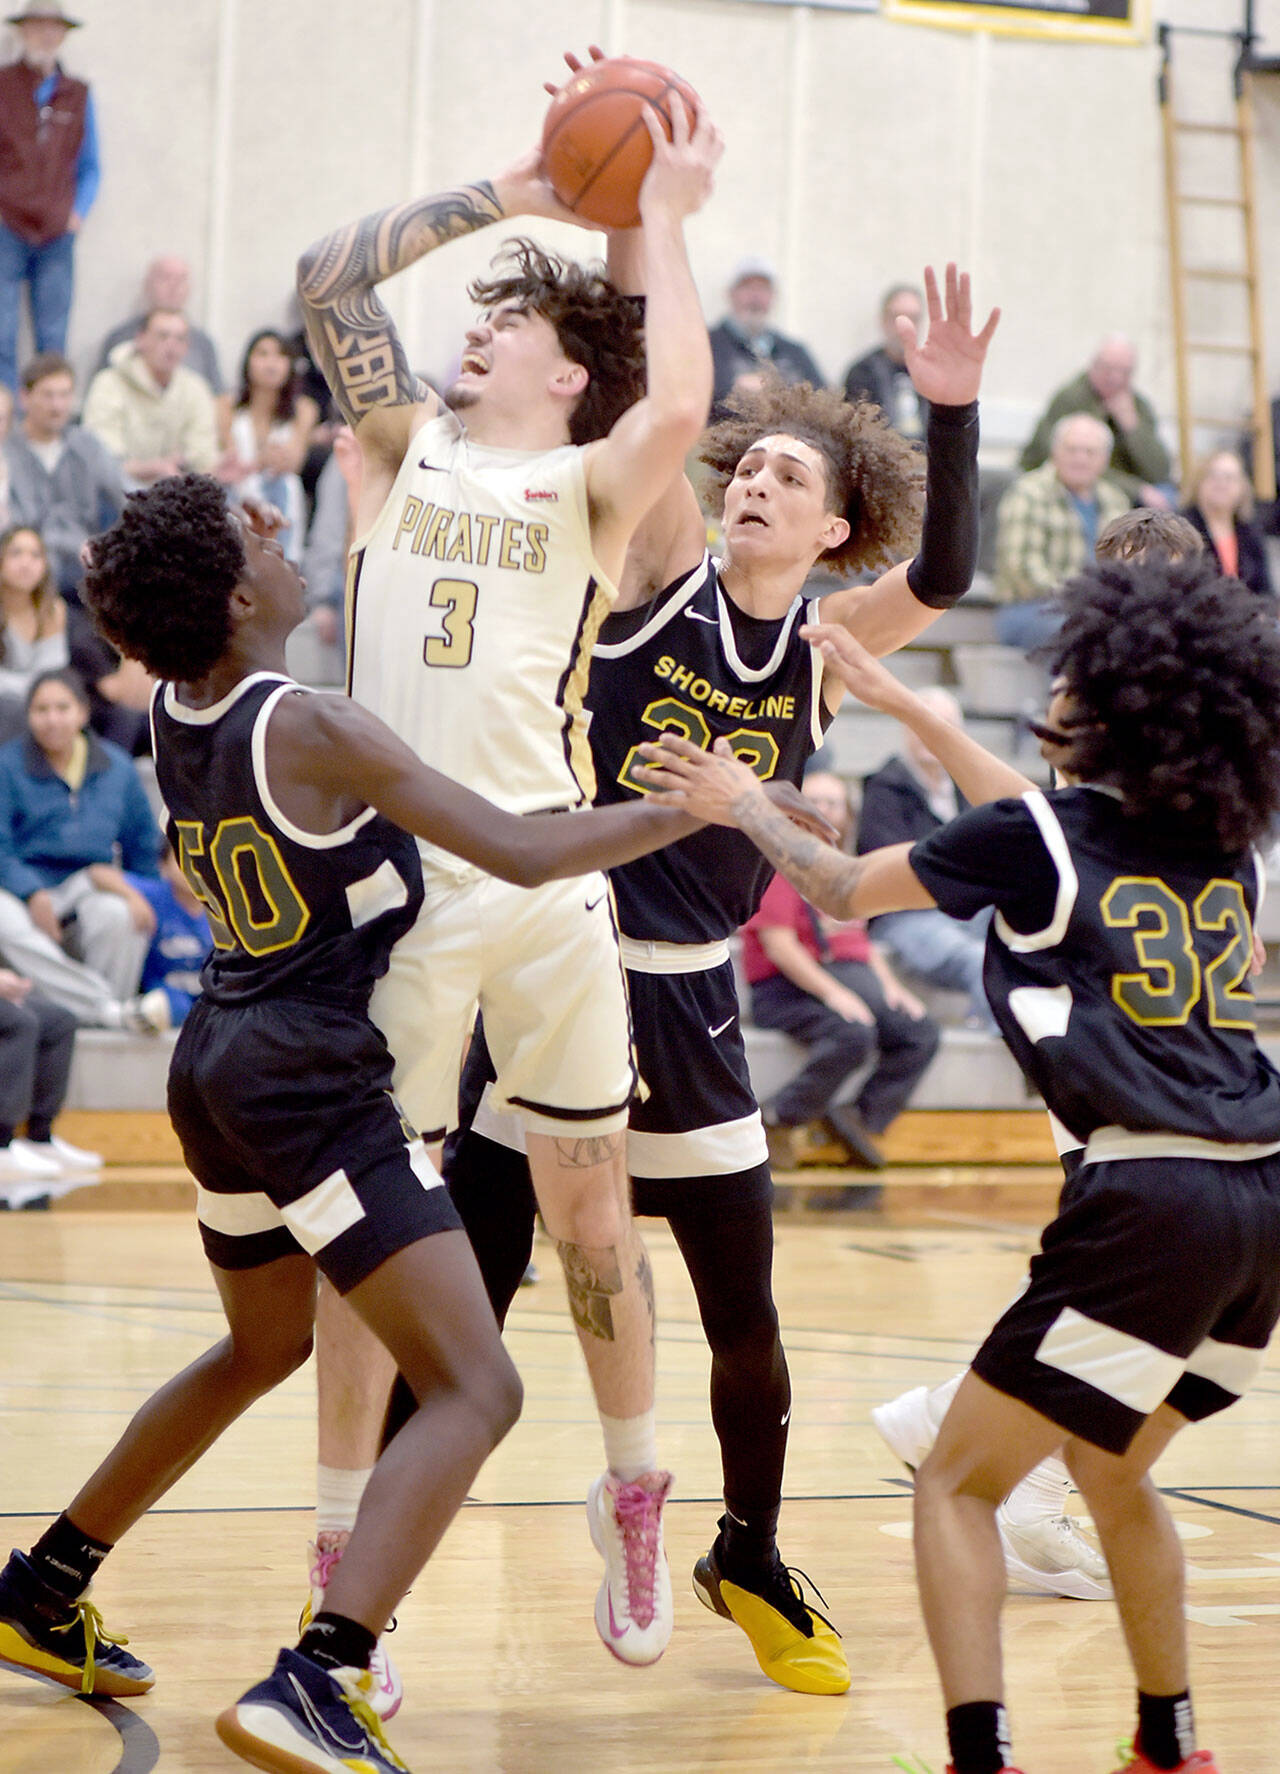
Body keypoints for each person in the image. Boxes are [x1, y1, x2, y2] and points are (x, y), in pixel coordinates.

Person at [0, 474, 711, 1772]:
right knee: (477, 1383)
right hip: (307, 1083)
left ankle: (46, 1582)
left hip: (217, 1064)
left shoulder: (178, 703)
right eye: (257, 535)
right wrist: (703, 805)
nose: (283, 537)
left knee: (256, 1345)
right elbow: (530, 848)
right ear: (233, 595)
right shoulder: (313, 724)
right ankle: (322, 1676)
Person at [419, 258, 999, 1696]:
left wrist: (953, 414)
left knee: (749, 1318)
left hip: (697, 1000)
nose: (753, 487)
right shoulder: (664, 575)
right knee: (473, 1301)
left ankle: (746, 1544)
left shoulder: (825, 642)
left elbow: (945, 576)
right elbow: (657, 418)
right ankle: (364, 1582)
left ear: (834, 526)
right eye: (747, 471)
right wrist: (635, 234)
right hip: (563, 972)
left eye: (788, 479)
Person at [642, 554, 1280, 1774]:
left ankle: (977, 1756)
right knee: (1109, 1465)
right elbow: (1051, 835)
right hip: (1261, 1200)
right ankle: (1168, 1743)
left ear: (1099, 695)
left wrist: (742, 797)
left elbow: (834, 884)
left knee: (952, 1482)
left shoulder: (1035, 835)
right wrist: (902, 704)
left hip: (1149, 1195)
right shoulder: (1225, 849)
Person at [296, 95, 722, 1671]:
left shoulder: (596, 491)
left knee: (590, 1202)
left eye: (508, 326)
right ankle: (344, 1548)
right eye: (470, 324)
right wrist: (519, 190)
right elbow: (328, 277)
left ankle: (633, 1487)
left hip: (541, 881)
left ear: (566, 373)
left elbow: (678, 398)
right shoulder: (401, 451)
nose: (472, 338)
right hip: (396, 890)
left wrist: (654, 213)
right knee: (370, 1237)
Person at [744, 768, 938, 1173]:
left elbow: (860, 940)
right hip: (786, 988)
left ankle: (857, 1119)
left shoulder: (842, 868)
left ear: (847, 815)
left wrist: (891, 987)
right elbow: (780, 948)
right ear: (792, 810)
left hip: (848, 976)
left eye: (833, 802)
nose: (824, 809)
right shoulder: (777, 865)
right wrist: (835, 994)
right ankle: (777, 1118)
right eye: (814, 799)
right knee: (853, 1032)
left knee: (918, 1032)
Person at [0, 667, 169, 1028]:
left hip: (91, 885)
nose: (52, 720)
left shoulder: (118, 769)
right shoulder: (7, 766)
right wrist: (31, 893)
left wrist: (143, 896)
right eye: (41, 710)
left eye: (62, 708)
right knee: (3, 919)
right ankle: (109, 1011)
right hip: (21, 889)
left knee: (120, 916)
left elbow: (141, 852)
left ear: (83, 712)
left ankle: (102, 1022)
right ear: (28, 716)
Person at [857, 688, 993, 1031]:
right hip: (906, 918)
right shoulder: (884, 788)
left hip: (966, 909)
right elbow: (899, 871)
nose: (930, 734)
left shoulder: (968, 788)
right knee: (978, 960)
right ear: (906, 728)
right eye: (921, 724)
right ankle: (1012, 1055)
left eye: (942, 725)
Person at [0, 3, 98, 392]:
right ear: (23, 32)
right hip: (7, 227)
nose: (46, 36)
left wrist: (78, 213)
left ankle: (46, 412)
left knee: (53, 337)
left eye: (54, 29)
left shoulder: (77, 94)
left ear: (63, 36)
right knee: (2, 332)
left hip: (58, 232)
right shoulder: (4, 86)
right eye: (38, 28)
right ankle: (5, 418)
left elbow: (91, 164)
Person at [994, 413, 1129, 652]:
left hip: (1099, 610)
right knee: (1078, 630)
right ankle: (1067, 691)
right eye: (1072, 449)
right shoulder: (1028, 493)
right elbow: (1022, 570)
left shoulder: (1115, 500)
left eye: (1090, 452)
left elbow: (1127, 566)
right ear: (1055, 451)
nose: (1080, 458)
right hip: (1032, 609)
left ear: (1104, 459)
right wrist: (1080, 601)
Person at [5, 351, 123, 594]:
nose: (57, 406)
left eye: (64, 395)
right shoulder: (6, 451)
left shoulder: (87, 446)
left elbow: (125, 492)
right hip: (28, 565)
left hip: (83, 564)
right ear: (25, 398)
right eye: (48, 395)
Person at [1020, 335, 1173, 509]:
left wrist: (1133, 429)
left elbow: (1160, 471)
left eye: (1124, 372)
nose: (1114, 378)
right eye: (1108, 369)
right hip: (1075, 484)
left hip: (1122, 490)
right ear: (1093, 366)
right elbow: (1064, 462)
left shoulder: (1138, 405)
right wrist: (1136, 490)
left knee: (1168, 496)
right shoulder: (1072, 399)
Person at [81, 308, 219, 492]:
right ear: (141, 339)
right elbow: (101, 461)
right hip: (118, 493)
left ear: (187, 347)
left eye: (179, 339)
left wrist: (217, 469)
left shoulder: (196, 388)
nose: (171, 345)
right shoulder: (109, 383)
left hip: (177, 492)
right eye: (163, 336)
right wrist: (153, 468)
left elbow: (203, 457)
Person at [217, 328, 319, 562]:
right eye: (262, 354)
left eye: (280, 356)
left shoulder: (304, 408)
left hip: (281, 493)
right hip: (238, 492)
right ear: (248, 362)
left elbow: (294, 461)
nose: (271, 363)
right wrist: (261, 461)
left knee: (282, 482)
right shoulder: (226, 405)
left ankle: (281, 558)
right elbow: (231, 457)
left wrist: (267, 462)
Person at [94, 254, 226, 406]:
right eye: (165, 277)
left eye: (181, 280)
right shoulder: (120, 338)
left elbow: (219, 398)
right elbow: (101, 394)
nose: (173, 286)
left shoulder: (204, 344)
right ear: (147, 285)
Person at [708, 256, 823, 412]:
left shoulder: (794, 352)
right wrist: (732, 389)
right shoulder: (706, 347)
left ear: (773, 297)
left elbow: (823, 400)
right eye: (747, 287)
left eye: (763, 288)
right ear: (730, 294)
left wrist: (778, 390)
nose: (755, 297)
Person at [1179, 448, 1274, 600]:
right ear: (1198, 482)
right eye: (1214, 476)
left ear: (1242, 487)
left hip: (1251, 616)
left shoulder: (1250, 529)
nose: (1221, 483)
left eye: (1229, 478)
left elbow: (1266, 589)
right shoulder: (1181, 529)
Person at [0, 523, 66, 735]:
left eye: (35, 555)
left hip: (38, 703)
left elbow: (53, 671)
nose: (26, 563)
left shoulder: (53, 609)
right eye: (16, 553)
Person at [842, 282, 930, 441]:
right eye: (897, 317)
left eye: (913, 318)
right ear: (883, 320)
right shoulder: (862, 373)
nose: (905, 327)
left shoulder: (935, 372)